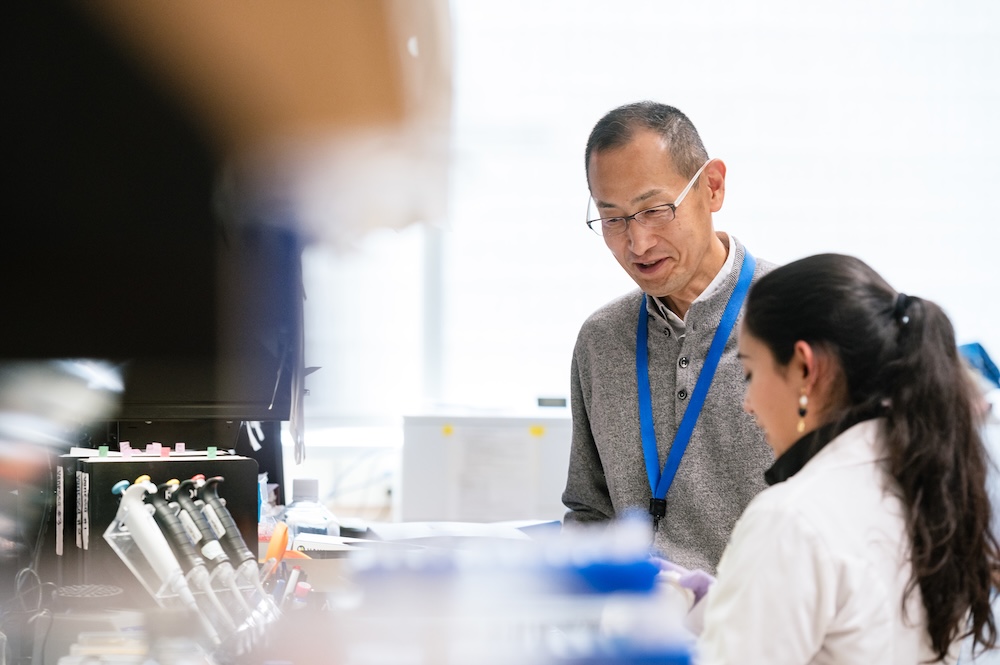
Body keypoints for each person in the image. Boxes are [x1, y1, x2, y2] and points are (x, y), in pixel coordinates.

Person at [697, 253, 1000, 663]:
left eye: (750, 373)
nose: (748, 404)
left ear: (805, 367)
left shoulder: (790, 519)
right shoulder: (932, 484)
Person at [561, 101, 775, 574]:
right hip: (637, 635)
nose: (637, 244)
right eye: (613, 218)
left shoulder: (797, 320)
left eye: (655, 210)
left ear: (713, 187)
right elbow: (590, 513)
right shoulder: (601, 340)